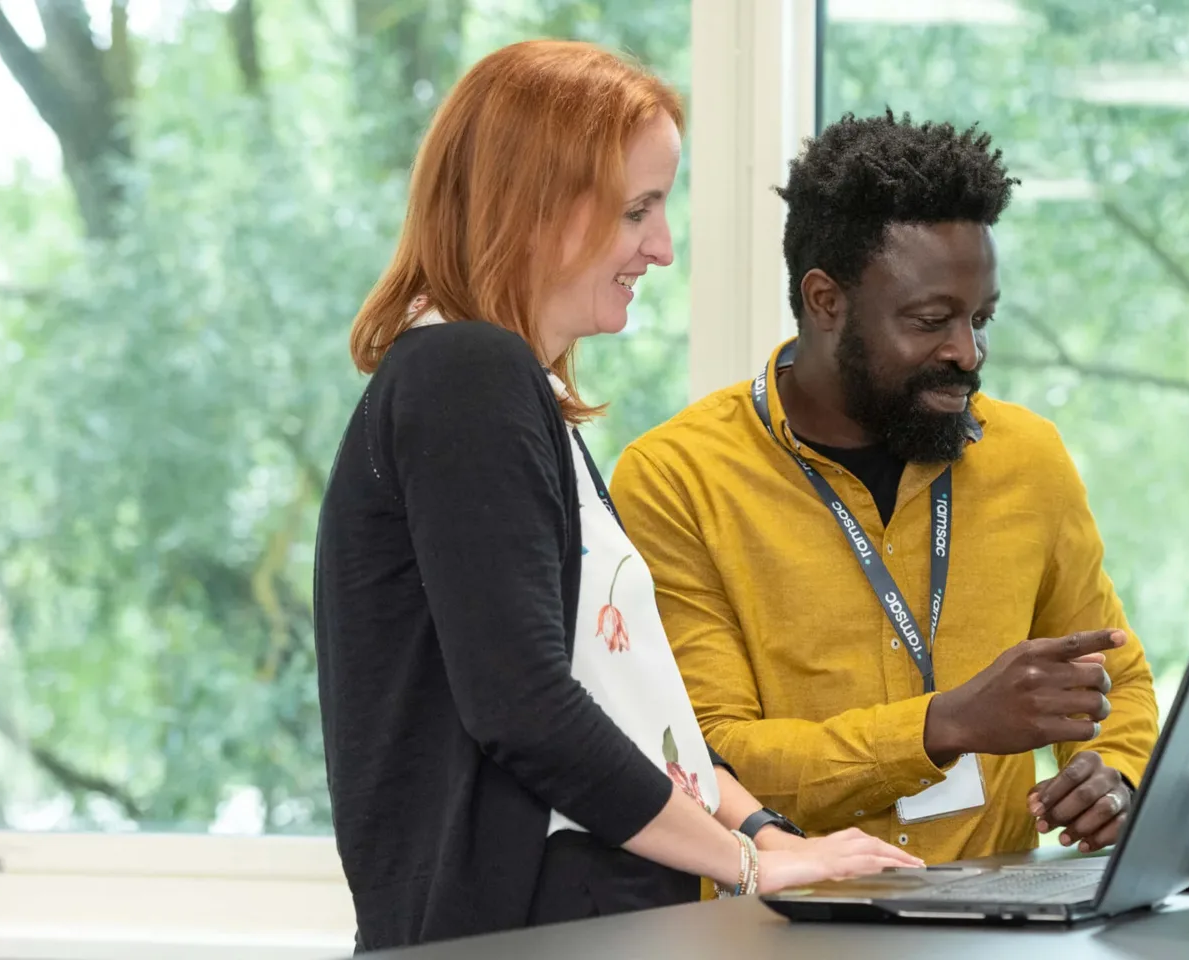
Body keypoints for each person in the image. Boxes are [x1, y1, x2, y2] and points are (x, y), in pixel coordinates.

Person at [312, 42, 917, 952]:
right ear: (533, 208)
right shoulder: (467, 375)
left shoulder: (521, 397)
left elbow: (637, 710)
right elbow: (526, 709)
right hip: (532, 917)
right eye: (637, 210)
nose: (662, 248)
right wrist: (748, 868)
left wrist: (765, 834)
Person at [607, 111, 1159, 868]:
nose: (966, 353)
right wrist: (939, 727)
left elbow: (1115, 680)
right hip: (785, 931)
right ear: (826, 301)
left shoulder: (1028, 457)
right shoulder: (678, 479)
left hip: (1001, 925)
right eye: (931, 321)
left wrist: (1116, 778)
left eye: (981, 319)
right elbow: (710, 759)